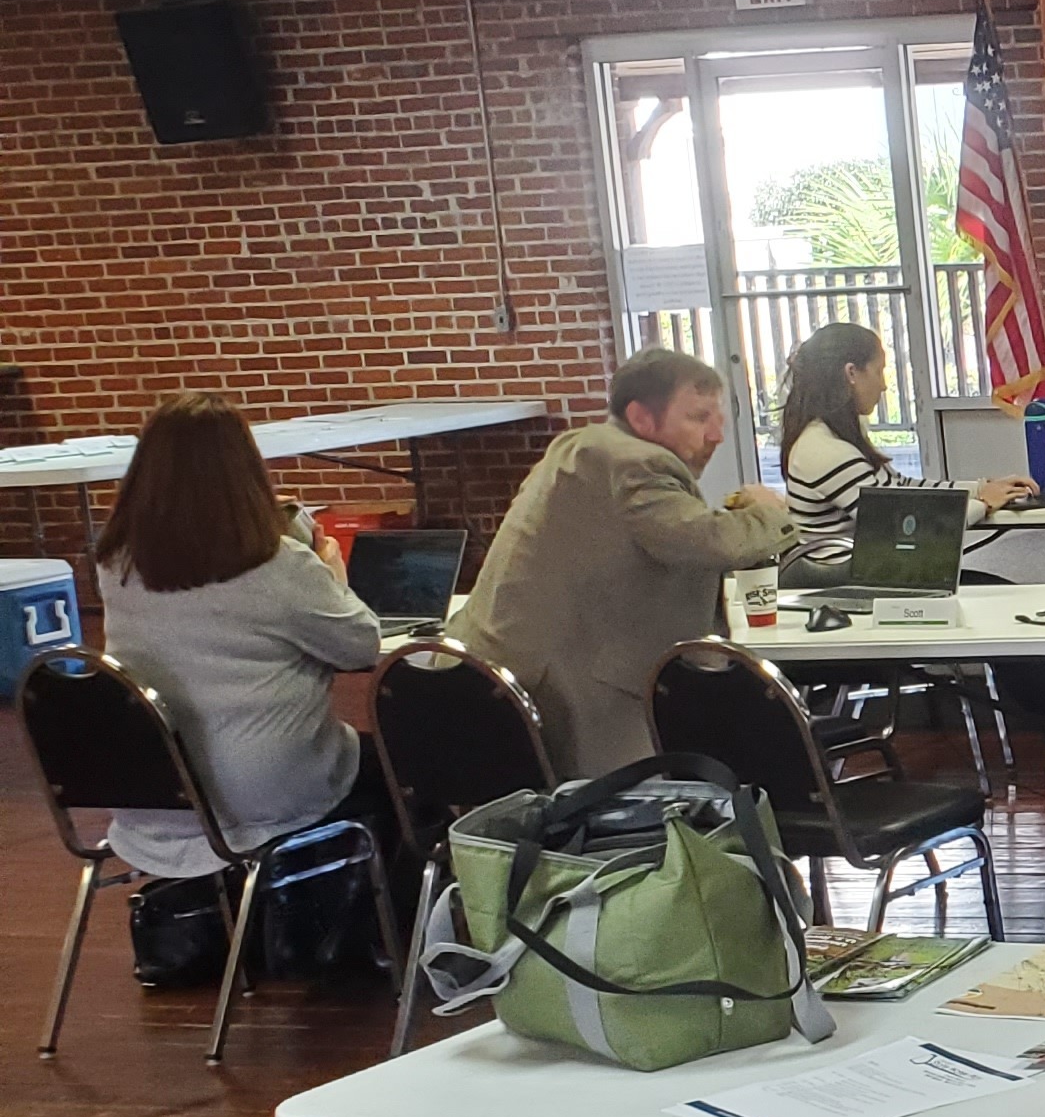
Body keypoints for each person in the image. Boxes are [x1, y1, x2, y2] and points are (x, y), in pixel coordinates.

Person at [92, 392, 395, 891]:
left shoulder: (116, 562)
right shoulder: (277, 566)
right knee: (399, 772)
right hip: (263, 789)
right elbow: (360, 646)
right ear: (244, 469)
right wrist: (329, 571)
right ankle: (374, 933)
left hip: (155, 788)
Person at [447, 349, 798, 779]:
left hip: (484, 681)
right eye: (698, 417)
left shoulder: (577, 447)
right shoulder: (638, 461)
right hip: (568, 696)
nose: (716, 435)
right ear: (642, 418)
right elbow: (699, 542)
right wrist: (770, 513)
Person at [771, 321, 1028, 586]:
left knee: (996, 592)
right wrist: (982, 504)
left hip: (865, 574)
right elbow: (901, 527)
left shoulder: (830, 436)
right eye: (879, 372)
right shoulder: (823, 449)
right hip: (850, 583)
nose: (883, 386)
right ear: (851, 373)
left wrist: (980, 488)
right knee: (998, 594)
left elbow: (901, 489)